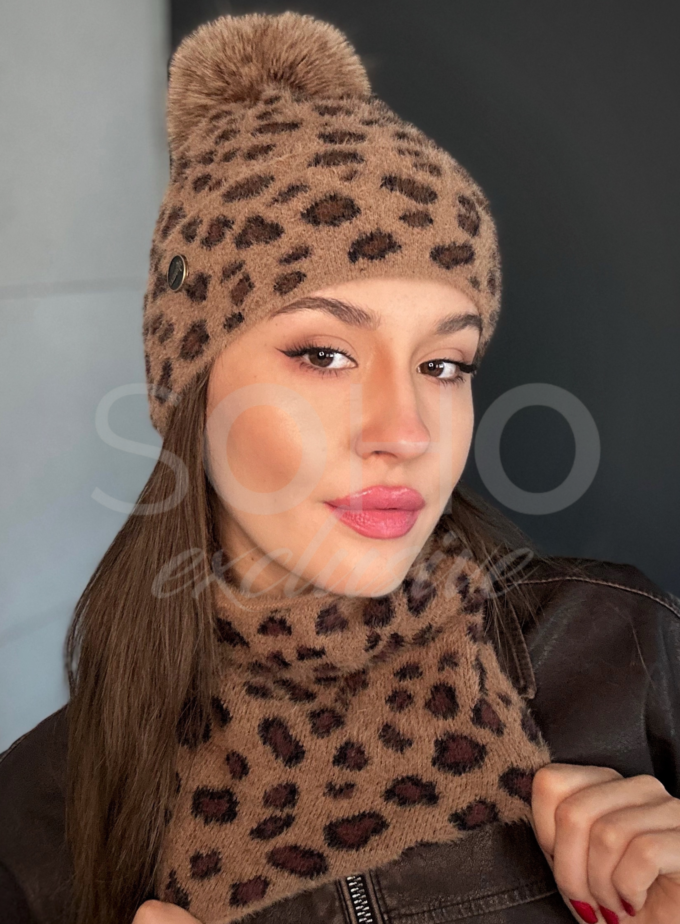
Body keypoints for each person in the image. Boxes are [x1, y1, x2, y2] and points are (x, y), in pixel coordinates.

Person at [1, 11, 679, 924]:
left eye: (445, 364)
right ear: (189, 388)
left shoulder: (622, 652)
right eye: (323, 354)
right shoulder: (37, 821)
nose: (406, 431)